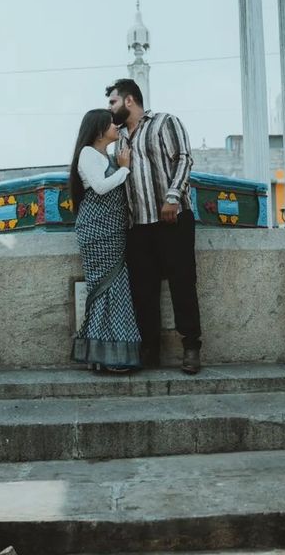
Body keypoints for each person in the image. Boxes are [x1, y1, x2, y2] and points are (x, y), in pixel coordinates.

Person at [105, 78, 202, 374]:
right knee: (142, 290)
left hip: (171, 218)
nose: (110, 108)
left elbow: (184, 159)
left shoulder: (164, 122)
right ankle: (150, 350)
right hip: (138, 225)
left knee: (182, 283)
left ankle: (191, 348)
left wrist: (172, 197)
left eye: (113, 102)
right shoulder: (118, 138)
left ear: (129, 100)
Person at [69, 108, 141, 373]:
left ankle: (106, 354)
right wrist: (124, 169)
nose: (116, 126)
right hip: (97, 230)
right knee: (104, 290)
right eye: (112, 124)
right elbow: (100, 187)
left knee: (116, 289)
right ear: (99, 130)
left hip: (113, 230)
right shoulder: (88, 154)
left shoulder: (103, 155)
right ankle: (105, 355)